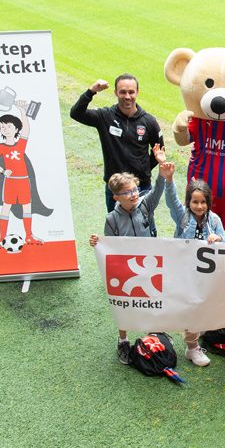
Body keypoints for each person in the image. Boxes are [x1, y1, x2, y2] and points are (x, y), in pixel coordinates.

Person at [88, 146, 168, 364]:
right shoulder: (112, 219)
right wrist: (98, 243)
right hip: (127, 269)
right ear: (115, 196)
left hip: (150, 265)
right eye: (127, 192)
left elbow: (158, 189)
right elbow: (110, 246)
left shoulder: (145, 206)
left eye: (135, 190)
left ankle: (154, 333)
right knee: (125, 305)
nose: (133, 194)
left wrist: (162, 167)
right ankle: (123, 340)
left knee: (153, 299)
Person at [70, 74, 165, 218]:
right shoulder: (105, 116)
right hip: (115, 188)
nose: (127, 96)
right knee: (116, 231)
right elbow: (76, 113)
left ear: (137, 92)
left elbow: (159, 150)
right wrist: (91, 91)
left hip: (141, 187)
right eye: (123, 92)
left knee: (145, 229)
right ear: (115, 92)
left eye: (131, 92)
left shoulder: (149, 121)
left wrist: (142, 168)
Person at [161, 164, 225, 367]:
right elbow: (172, 202)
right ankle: (192, 348)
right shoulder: (182, 217)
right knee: (192, 310)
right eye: (194, 201)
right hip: (185, 274)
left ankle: (195, 335)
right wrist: (169, 179)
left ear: (208, 203)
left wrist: (218, 240)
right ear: (188, 201)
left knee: (202, 309)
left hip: (206, 276)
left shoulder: (214, 220)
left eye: (203, 202)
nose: (199, 206)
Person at [0, 101, 42, 245]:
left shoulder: (20, 144)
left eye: (9, 126)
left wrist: (23, 112)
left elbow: (26, 131)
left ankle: (29, 235)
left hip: (23, 181)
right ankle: (1, 238)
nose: (5, 129)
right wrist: (3, 171)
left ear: (16, 128)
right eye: (2, 127)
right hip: (10, 182)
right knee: (6, 207)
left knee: (27, 207)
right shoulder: (0, 147)